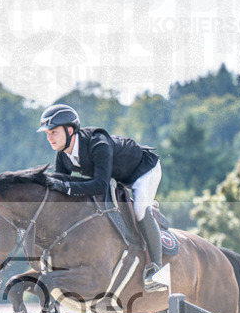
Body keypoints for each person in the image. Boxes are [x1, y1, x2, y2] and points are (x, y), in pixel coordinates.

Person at [37, 103, 169, 292]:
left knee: (140, 209)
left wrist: (67, 188)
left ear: (70, 130)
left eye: (54, 132)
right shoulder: (63, 156)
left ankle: (156, 269)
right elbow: (61, 190)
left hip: (143, 172)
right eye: (47, 133)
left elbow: (99, 185)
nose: (49, 138)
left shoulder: (98, 143)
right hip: (118, 177)